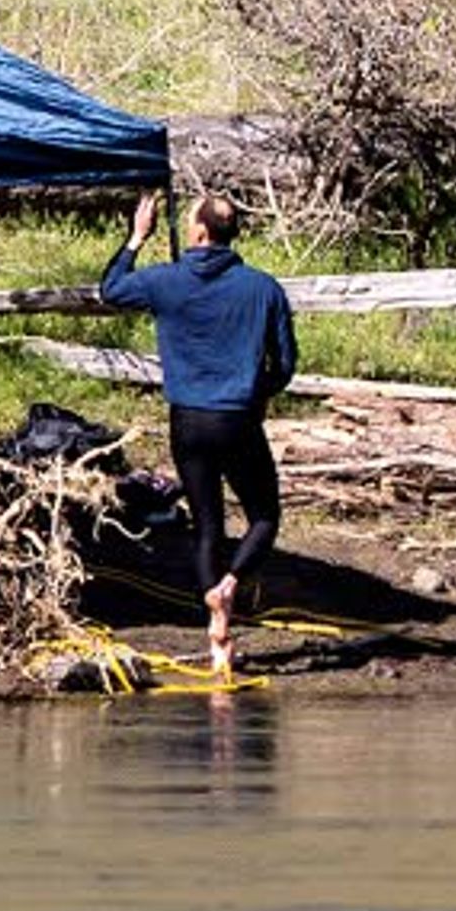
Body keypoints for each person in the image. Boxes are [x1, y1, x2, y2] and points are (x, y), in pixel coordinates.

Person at [102, 189, 298, 671]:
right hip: (238, 417)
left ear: (199, 232)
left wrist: (135, 239)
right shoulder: (264, 287)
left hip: (188, 420)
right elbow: (287, 364)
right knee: (264, 516)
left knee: (207, 524)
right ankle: (229, 587)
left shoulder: (167, 281)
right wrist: (258, 390)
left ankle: (219, 640)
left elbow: (111, 289)